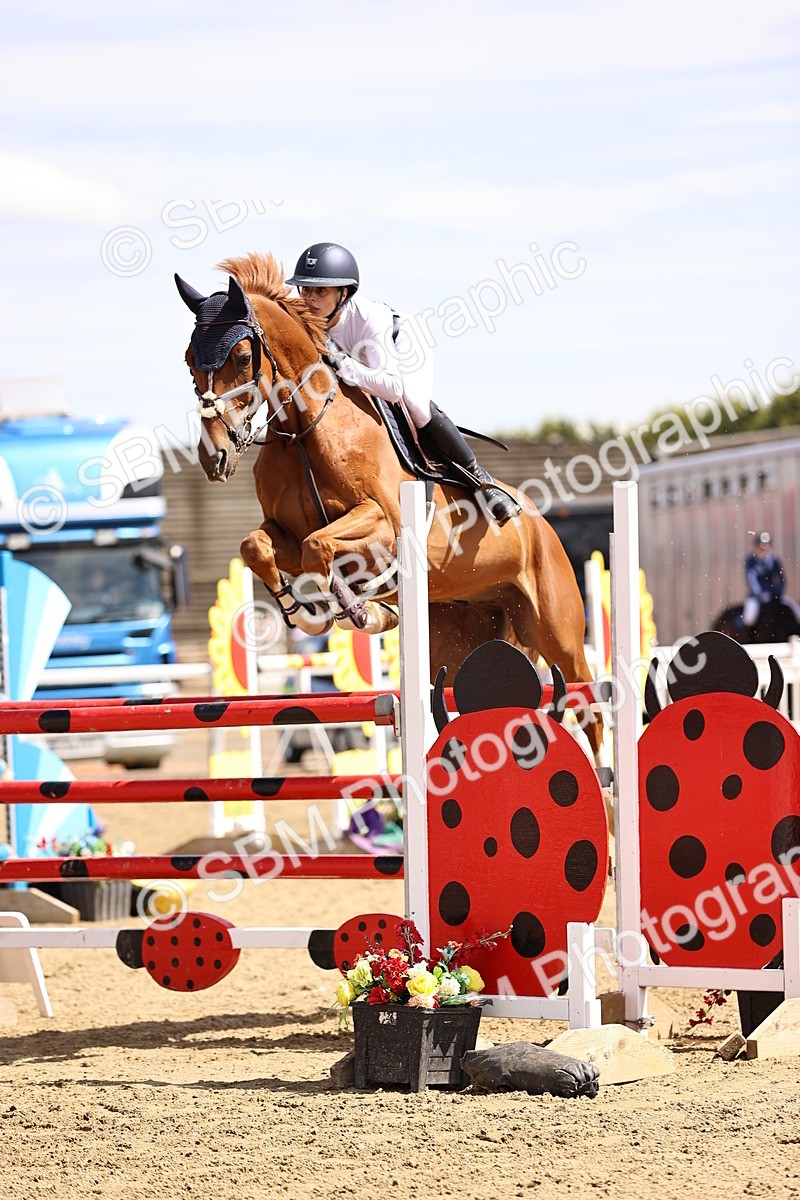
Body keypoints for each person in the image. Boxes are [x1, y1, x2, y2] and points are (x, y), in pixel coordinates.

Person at [286, 242, 521, 526]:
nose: (309, 298)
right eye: (305, 289)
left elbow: (392, 388)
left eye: (320, 290)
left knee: (415, 404)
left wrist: (346, 366)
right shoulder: (302, 316)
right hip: (359, 362)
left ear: (343, 292)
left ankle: (480, 481)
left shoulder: (370, 318)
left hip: (403, 349)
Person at [742, 531, 800, 629]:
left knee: (796, 610)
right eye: (760, 547)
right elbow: (751, 579)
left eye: (766, 546)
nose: (763, 549)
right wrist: (760, 594)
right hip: (756, 596)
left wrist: (777, 592)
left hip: (773, 594)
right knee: (749, 617)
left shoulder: (774, 559)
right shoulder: (750, 560)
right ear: (756, 547)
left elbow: (781, 578)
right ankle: (748, 639)